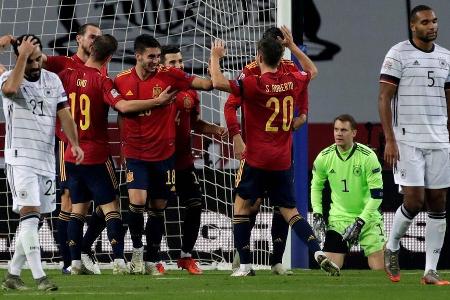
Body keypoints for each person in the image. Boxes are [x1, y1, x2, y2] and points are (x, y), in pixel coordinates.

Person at [210, 37, 339, 276]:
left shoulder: (253, 82)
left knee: (241, 206)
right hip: (282, 159)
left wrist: (216, 56)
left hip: (257, 158)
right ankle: (317, 250)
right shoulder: (293, 79)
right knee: (290, 212)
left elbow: (217, 81)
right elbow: (312, 70)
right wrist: (293, 47)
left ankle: (245, 265)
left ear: (259, 57)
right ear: (281, 58)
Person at [58, 34, 177, 275]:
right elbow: (122, 106)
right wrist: (156, 101)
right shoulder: (103, 81)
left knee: (77, 208)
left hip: (70, 152)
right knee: (111, 208)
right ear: (110, 57)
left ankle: (75, 263)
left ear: (90, 49)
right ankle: (120, 260)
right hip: (95, 153)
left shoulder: (66, 75)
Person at [114, 34, 213, 275]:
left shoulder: (170, 76)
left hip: (164, 155)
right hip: (136, 153)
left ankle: (151, 259)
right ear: (138, 56)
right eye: (151, 57)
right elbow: (120, 112)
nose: (155, 61)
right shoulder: (120, 80)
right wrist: (156, 102)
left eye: (158, 57)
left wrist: (215, 64)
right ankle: (136, 252)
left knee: (158, 207)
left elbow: (204, 84)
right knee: (136, 202)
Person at [226, 25, 316, 275]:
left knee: (280, 206)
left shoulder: (288, 69)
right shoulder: (250, 72)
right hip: (256, 149)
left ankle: (276, 260)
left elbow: (303, 92)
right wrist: (236, 136)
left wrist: (304, 114)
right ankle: (242, 253)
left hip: (280, 148)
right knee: (252, 204)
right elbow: (230, 105)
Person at [0, 34, 83, 291]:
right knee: (30, 214)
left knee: (35, 219)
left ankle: (12, 275)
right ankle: (40, 277)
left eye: (38, 59)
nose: (36, 65)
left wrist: (74, 143)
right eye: (31, 59)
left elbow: (64, 114)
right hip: (20, 158)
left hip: (46, 159)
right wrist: (22, 56)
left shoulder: (53, 80)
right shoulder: (8, 78)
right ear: (20, 57)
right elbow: (11, 90)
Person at [379, 5, 450, 285]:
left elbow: (448, 95)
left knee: (438, 202)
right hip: (408, 139)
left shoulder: (446, 57)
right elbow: (384, 98)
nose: (431, 26)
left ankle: (430, 270)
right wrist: (390, 139)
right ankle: (392, 244)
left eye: (434, 21)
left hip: (439, 140)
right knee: (414, 200)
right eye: (425, 22)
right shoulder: (398, 54)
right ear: (413, 26)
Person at [41, 23, 105, 274]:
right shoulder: (63, 64)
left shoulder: (100, 67)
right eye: (92, 37)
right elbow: (40, 58)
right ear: (79, 39)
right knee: (68, 200)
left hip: (95, 146)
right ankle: (68, 261)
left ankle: (84, 249)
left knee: (101, 202)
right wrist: (19, 47)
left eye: (99, 38)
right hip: (66, 141)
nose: (95, 41)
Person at [161, 45, 228, 275]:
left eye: (180, 61)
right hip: (160, 159)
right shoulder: (156, 86)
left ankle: (186, 256)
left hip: (183, 159)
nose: (178, 65)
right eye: (172, 62)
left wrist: (213, 129)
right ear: (162, 65)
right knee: (158, 207)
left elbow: (195, 123)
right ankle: (153, 258)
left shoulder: (190, 91)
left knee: (195, 203)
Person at [310, 114, 384, 270]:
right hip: (339, 219)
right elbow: (316, 187)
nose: (338, 133)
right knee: (330, 269)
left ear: (354, 133)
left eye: (343, 130)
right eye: (336, 129)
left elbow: (377, 195)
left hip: (368, 218)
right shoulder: (324, 157)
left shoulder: (368, 157)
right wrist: (317, 213)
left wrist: (361, 221)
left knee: (380, 270)